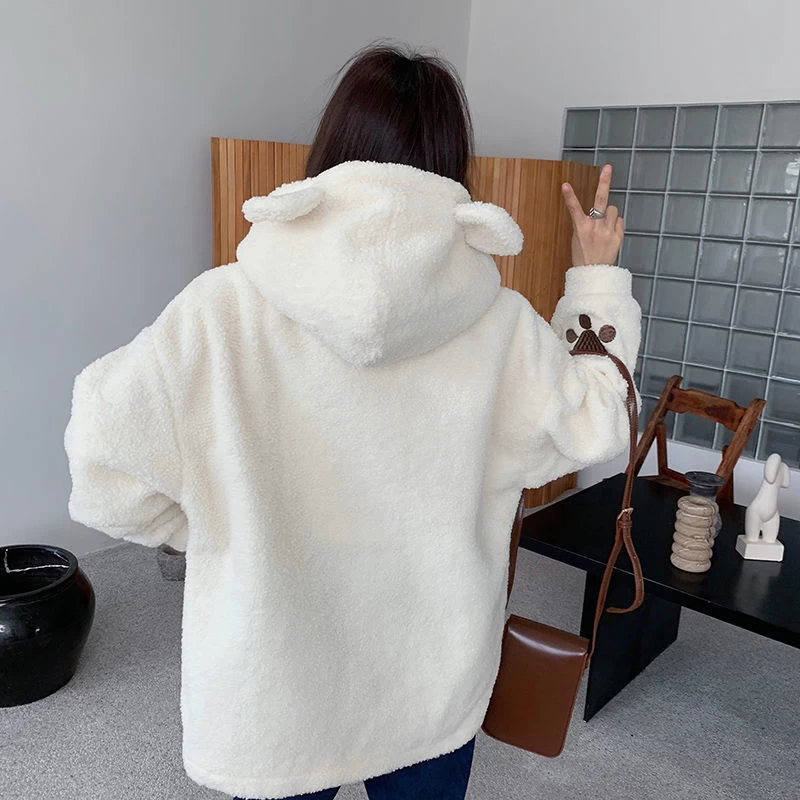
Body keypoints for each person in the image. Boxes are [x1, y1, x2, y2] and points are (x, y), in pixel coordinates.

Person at [64, 44, 639, 800]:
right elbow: (597, 420)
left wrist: (218, 522)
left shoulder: (220, 309)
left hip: (276, 684)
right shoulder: (500, 326)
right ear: (451, 163)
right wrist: (595, 278)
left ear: (332, 147)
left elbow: (104, 469)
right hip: (429, 672)